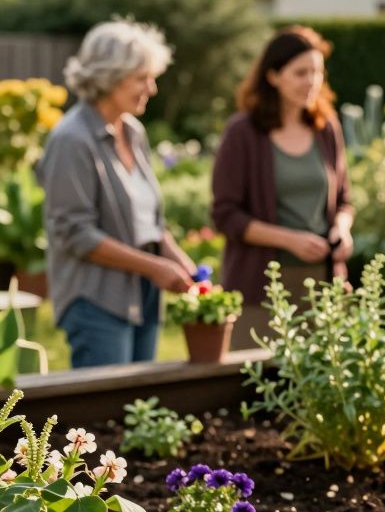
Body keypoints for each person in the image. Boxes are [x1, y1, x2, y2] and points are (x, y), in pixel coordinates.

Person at [37, 20, 196, 368]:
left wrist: (176, 259)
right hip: (96, 299)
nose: (151, 89)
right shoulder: (71, 140)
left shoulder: (133, 131)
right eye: (142, 78)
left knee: (140, 410)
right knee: (107, 416)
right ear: (109, 77)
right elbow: (74, 233)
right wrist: (154, 266)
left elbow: (149, 220)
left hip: (143, 295)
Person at [211, 26, 353, 349]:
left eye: (317, 71)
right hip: (260, 285)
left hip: (322, 284)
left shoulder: (325, 127)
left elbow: (344, 200)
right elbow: (225, 215)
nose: (312, 81)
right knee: (256, 390)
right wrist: (290, 240)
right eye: (301, 72)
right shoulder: (242, 133)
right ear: (273, 76)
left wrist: (343, 229)